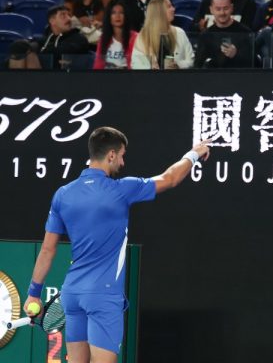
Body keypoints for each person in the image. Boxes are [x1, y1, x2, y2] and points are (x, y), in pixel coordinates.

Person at [23, 127, 209, 363]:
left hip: (72, 293)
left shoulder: (62, 194)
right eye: (121, 155)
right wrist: (193, 154)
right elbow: (169, 178)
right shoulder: (121, 189)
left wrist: (33, 295)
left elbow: (48, 250)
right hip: (103, 295)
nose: (122, 162)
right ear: (110, 155)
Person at [194, 0, 254, 69]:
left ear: (232, 8)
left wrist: (236, 54)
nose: (222, 13)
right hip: (213, 79)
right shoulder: (205, 35)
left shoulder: (245, 32)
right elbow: (198, 66)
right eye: (218, 9)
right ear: (211, 10)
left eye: (226, 8)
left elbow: (253, 63)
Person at [131, 0, 194, 69]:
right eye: (169, 7)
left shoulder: (180, 33)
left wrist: (178, 64)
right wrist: (150, 66)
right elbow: (136, 63)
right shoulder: (143, 37)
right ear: (159, 12)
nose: (173, 9)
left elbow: (191, 60)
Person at [38, 5, 90, 70]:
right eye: (63, 15)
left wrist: (40, 52)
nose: (69, 19)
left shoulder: (79, 39)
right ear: (52, 21)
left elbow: (61, 52)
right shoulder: (46, 39)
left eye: (69, 15)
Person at [94, 0, 137, 69]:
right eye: (113, 13)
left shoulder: (134, 38)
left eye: (121, 13)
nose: (118, 16)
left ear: (125, 16)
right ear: (109, 17)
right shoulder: (103, 38)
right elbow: (98, 65)